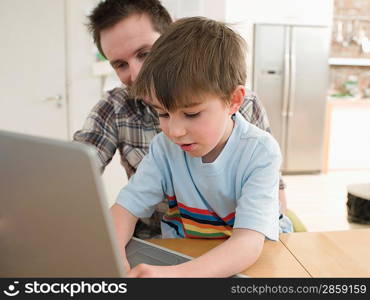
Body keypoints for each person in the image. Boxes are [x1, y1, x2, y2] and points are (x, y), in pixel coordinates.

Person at [73, 0, 290, 239]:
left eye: (145, 54)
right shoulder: (125, 116)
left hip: (233, 239)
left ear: (170, 40)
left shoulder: (244, 112)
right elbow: (75, 174)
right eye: (121, 65)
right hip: (161, 238)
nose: (137, 74)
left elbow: (271, 197)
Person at [112, 16, 284, 277]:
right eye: (163, 114)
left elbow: (247, 244)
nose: (175, 131)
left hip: (254, 263)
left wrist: (177, 276)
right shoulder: (164, 148)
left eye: (191, 114)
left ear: (234, 100)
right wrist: (112, 255)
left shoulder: (259, 152)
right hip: (187, 254)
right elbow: (124, 209)